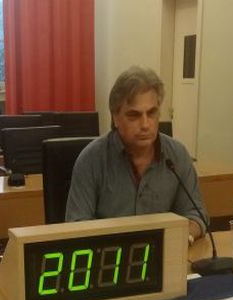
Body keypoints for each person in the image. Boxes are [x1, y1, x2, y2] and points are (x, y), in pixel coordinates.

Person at [65, 66, 207, 243]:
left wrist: (184, 237)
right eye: (134, 115)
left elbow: (196, 215)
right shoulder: (91, 160)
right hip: (110, 255)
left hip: (164, 254)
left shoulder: (177, 156)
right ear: (115, 118)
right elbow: (77, 225)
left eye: (152, 113)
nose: (145, 124)